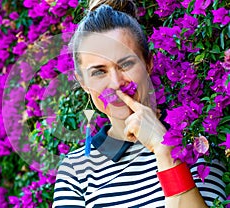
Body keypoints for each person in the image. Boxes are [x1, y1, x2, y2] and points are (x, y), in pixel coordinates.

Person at [52, 0, 227, 207]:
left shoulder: (199, 146)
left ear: (148, 63)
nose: (116, 83)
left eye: (126, 64)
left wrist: (164, 150)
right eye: (99, 71)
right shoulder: (75, 170)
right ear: (83, 82)